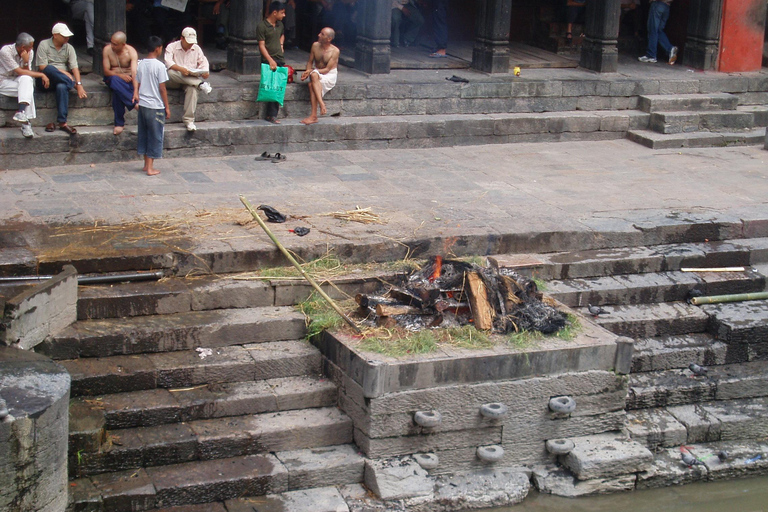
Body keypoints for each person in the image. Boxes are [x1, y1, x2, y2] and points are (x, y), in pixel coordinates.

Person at [36, 23, 87, 135]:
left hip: (61, 80)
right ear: (55, 35)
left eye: (68, 36)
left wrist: (79, 84)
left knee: (62, 86)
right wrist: (64, 72)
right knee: (49, 68)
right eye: (64, 36)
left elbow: (74, 67)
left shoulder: (69, 48)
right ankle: (70, 83)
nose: (67, 38)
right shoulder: (44, 44)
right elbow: (42, 67)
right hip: (45, 79)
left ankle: (62, 122)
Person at [0, 33, 50, 138]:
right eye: (31, 46)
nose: (32, 48)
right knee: (28, 90)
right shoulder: (5, 51)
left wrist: (26, 62)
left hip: (19, 81)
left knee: (27, 81)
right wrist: (41, 75)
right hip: (3, 82)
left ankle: (21, 112)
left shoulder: (29, 52)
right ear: (23, 47)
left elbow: (27, 73)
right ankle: (26, 124)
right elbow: (19, 71)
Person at [133, 35, 170, 176]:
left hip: (143, 104)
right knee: (154, 136)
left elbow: (138, 82)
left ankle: (145, 165)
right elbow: (162, 89)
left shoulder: (141, 64)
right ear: (157, 49)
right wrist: (166, 106)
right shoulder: (160, 66)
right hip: (155, 106)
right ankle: (150, 168)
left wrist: (137, 96)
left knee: (144, 134)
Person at [164, 27, 211, 132]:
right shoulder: (172, 47)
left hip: (188, 80)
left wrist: (204, 73)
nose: (190, 45)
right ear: (182, 38)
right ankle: (200, 84)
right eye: (188, 42)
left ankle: (189, 121)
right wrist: (180, 69)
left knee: (193, 89)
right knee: (170, 73)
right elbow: (168, 63)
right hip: (175, 79)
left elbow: (204, 63)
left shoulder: (197, 49)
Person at [300, 27, 339, 125]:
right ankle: (314, 115)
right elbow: (310, 62)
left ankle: (319, 107)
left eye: (322, 34)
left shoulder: (335, 51)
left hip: (329, 75)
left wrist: (311, 71)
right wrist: (307, 71)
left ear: (329, 39)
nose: (318, 35)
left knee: (313, 78)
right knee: (311, 81)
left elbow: (327, 70)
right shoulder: (315, 45)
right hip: (317, 74)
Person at [102, 31, 138, 135]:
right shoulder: (107, 50)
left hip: (128, 80)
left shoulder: (131, 52)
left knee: (117, 92)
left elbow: (134, 73)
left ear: (123, 44)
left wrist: (136, 92)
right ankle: (134, 105)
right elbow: (106, 71)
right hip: (113, 77)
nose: (112, 46)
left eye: (115, 44)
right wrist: (120, 75)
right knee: (114, 81)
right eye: (112, 43)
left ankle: (119, 124)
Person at [257, 1, 287, 124]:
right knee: (271, 86)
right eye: (282, 12)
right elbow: (261, 45)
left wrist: (281, 44)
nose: (284, 15)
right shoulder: (262, 26)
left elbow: (282, 35)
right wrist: (270, 60)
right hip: (269, 60)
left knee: (278, 87)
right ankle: (271, 115)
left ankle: (272, 114)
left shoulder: (280, 25)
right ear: (274, 12)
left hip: (279, 58)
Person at [639, 0, 677, 65]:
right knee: (658, 31)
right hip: (667, 6)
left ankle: (651, 55)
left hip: (658, 4)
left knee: (652, 30)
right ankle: (670, 48)